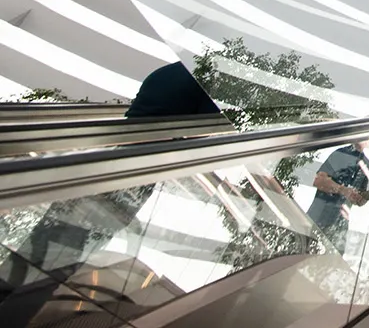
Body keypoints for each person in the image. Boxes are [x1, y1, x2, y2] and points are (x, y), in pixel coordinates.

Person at [0, 59, 223, 326]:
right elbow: (205, 132)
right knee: (59, 263)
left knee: (39, 245)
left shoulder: (169, 72)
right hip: (135, 175)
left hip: (109, 160)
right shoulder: (210, 81)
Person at [306, 142, 369, 252]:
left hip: (339, 227)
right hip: (319, 217)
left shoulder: (366, 164)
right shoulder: (341, 153)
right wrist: (342, 190)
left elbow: (359, 201)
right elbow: (318, 180)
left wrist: (362, 198)